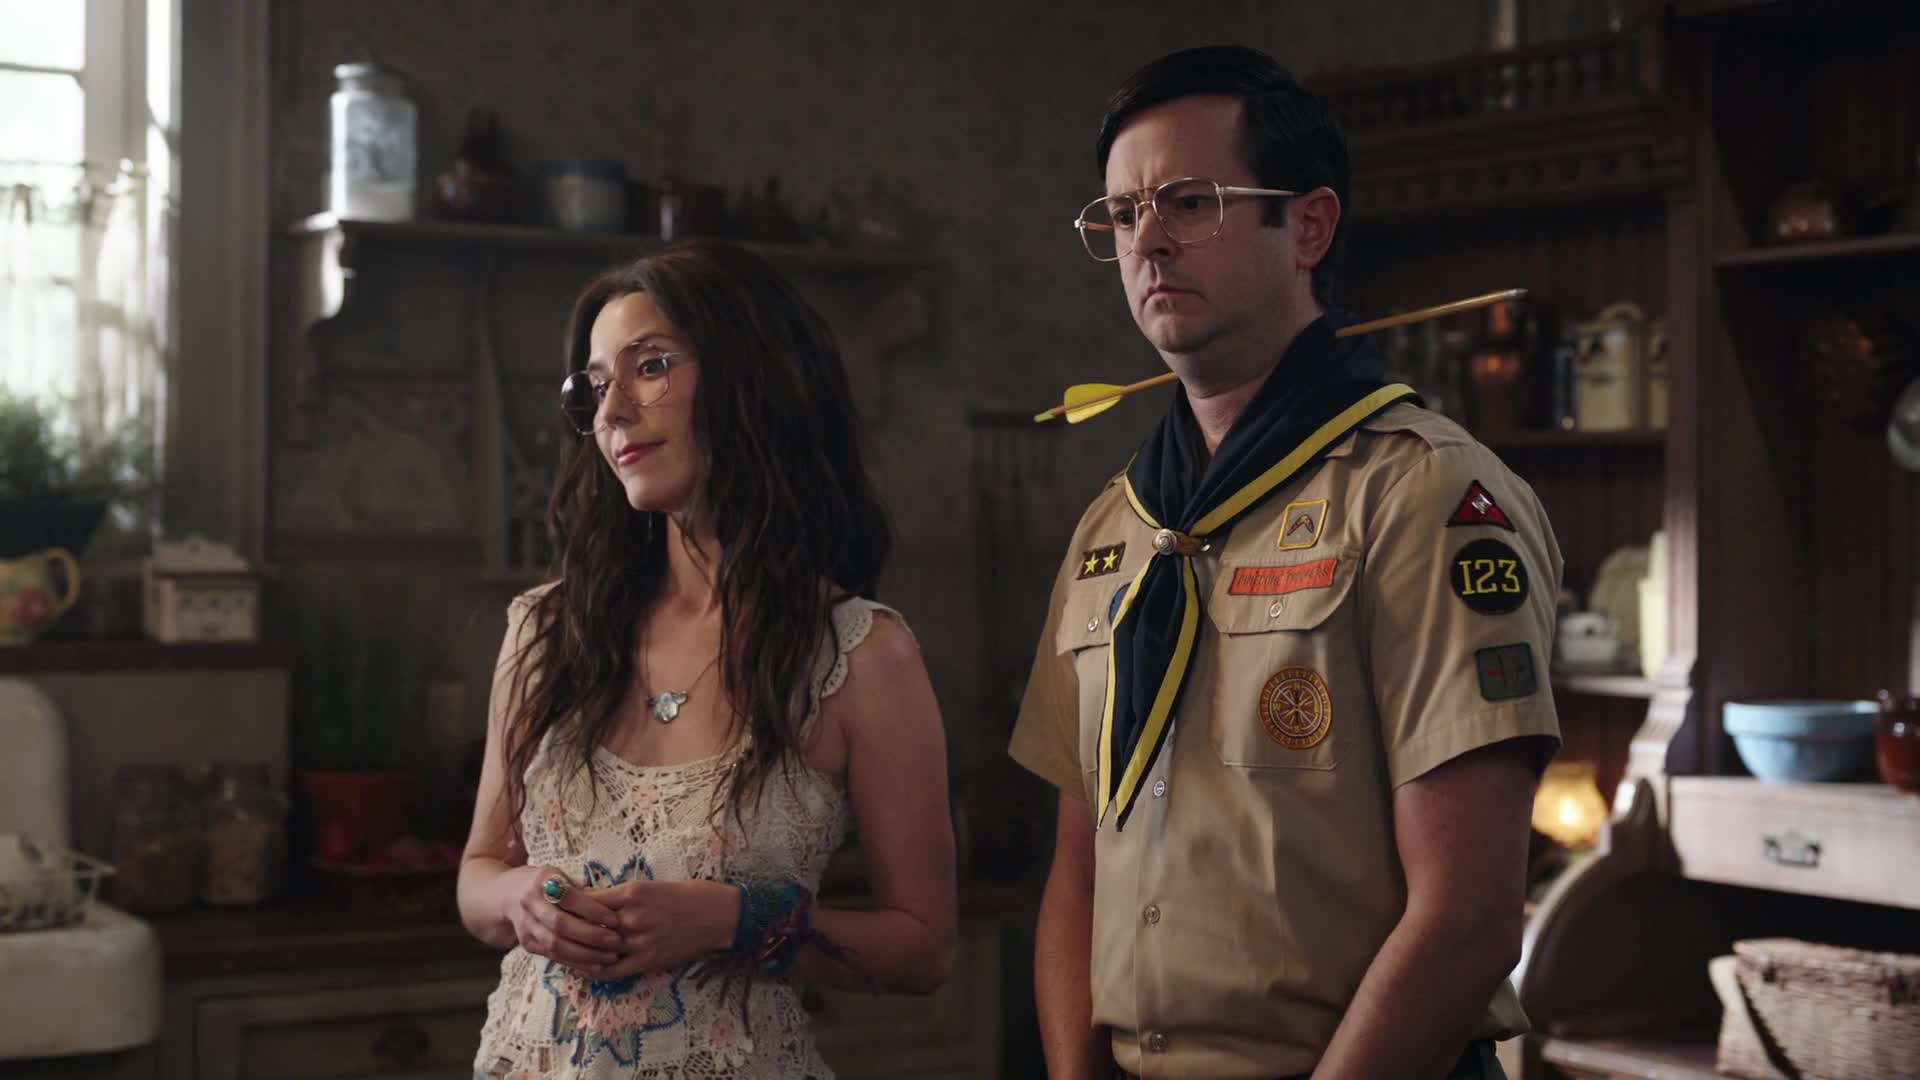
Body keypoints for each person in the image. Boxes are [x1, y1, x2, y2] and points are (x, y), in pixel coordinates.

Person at [1008, 46, 1564, 1080]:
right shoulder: (1115, 529)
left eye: (1189, 201)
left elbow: (1470, 917)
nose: (1148, 240)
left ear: (1307, 226)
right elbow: (1076, 871)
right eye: (1123, 214)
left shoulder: (1420, 494)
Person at [458, 239, 957, 1079]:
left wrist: (735, 923)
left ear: (750, 379)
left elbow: (924, 949)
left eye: (650, 367)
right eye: (596, 386)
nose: (613, 412)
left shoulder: (859, 654)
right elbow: (479, 877)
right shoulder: (547, 631)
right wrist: (520, 902)